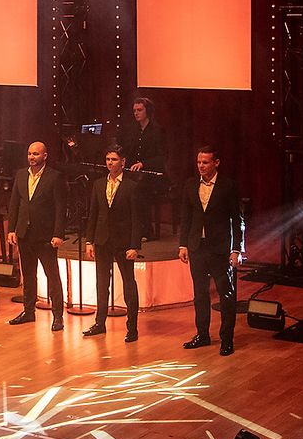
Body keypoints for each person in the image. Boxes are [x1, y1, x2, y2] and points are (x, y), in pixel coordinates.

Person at [178, 145, 245, 356]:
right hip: (197, 246)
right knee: (200, 294)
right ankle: (202, 335)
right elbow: (185, 217)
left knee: (226, 294)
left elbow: (237, 220)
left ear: (216, 163)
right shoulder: (190, 184)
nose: (201, 166)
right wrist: (183, 244)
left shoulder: (228, 186)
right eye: (199, 162)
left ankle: (227, 339)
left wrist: (236, 249)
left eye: (205, 162)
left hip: (220, 248)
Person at [6, 141, 68, 329]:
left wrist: (58, 234)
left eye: (36, 154)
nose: (32, 157)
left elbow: (60, 208)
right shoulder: (20, 174)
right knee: (28, 275)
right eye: (30, 154)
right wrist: (11, 229)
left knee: (52, 276)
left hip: (46, 236)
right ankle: (28, 311)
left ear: (45, 156)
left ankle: (58, 316)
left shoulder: (55, 177)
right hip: (24, 234)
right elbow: (14, 204)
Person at [83, 145, 141, 342]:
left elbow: (137, 218)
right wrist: (89, 240)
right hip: (102, 239)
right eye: (108, 159)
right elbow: (93, 214)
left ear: (123, 162)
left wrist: (134, 245)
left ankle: (132, 328)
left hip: (123, 242)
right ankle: (99, 323)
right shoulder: (98, 184)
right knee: (101, 283)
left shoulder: (132, 186)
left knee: (129, 284)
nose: (110, 163)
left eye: (114, 159)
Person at [118, 96, 167, 239]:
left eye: (139, 110)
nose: (136, 113)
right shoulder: (133, 130)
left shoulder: (157, 130)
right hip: (136, 173)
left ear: (148, 111)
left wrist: (143, 164)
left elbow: (162, 157)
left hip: (154, 173)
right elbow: (129, 151)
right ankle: (127, 228)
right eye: (134, 110)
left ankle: (146, 230)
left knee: (139, 190)